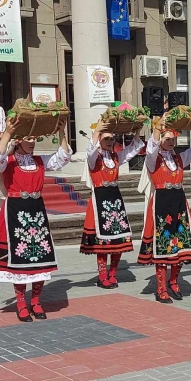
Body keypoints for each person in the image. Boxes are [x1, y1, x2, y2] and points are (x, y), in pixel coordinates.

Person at [0, 116, 72, 322]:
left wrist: (61, 133)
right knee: (19, 260)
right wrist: (9, 133)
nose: (32, 142)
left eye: (35, 139)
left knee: (40, 258)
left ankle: (37, 301)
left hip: (36, 212)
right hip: (15, 210)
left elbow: (64, 157)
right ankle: (21, 302)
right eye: (28, 138)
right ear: (19, 140)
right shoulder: (8, 162)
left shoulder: (39, 161)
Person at [137, 122, 191, 303]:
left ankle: (174, 281)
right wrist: (156, 128)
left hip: (178, 202)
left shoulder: (179, 158)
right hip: (162, 203)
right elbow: (151, 150)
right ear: (160, 139)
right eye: (166, 138)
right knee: (163, 245)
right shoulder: (153, 159)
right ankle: (161, 288)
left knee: (180, 244)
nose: (170, 141)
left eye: (173, 138)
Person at [80, 121, 145, 288]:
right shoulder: (95, 158)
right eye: (106, 138)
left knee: (118, 240)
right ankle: (102, 275)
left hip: (115, 199)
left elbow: (131, 151)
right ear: (99, 140)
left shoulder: (115, 157)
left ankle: (113, 273)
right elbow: (90, 151)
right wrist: (97, 131)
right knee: (103, 242)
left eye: (112, 139)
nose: (110, 142)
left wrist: (137, 134)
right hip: (100, 199)